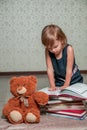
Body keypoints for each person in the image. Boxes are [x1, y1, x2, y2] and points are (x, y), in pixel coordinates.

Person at [41, 24, 83, 91]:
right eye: (49, 48)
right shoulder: (47, 51)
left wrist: (66, 85)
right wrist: (52, 86)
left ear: (62, 40)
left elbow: (69, 70)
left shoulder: (69, 49)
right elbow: (49, 69)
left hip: (74, 79)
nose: (53, 50)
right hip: (59, 80)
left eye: (55, 46)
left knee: (75, 96)